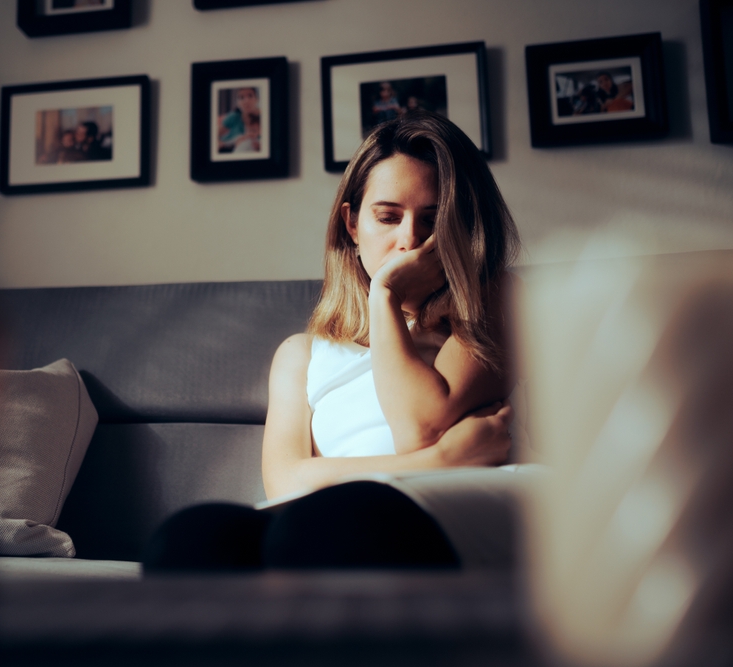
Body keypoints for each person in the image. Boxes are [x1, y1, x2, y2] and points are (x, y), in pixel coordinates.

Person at [143, 111, 522, 572]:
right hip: (334, 517)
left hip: (444, 510)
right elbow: (286, 483)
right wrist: (443, 458)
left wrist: (385, 296)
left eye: (434, 219)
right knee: (189, 539)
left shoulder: (493, 304)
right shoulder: (301, 355)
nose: (410, 239)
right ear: (352, 225)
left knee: (328, 524)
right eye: (388, 217)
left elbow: (419, 428)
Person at [218, 87, 260, 152]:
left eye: (250, 96)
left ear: (257, 99)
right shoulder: (234, 116)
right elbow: (214, 134)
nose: (246, 101)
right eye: (241, 97)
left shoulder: (264, 118)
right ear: (237, 102)